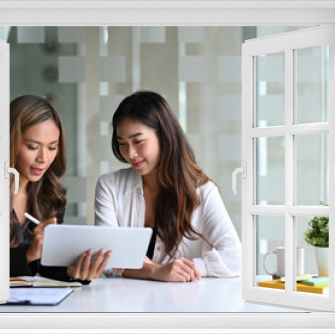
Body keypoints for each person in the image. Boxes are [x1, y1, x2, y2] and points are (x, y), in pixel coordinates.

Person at [0, 95, 111, 283]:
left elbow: (43, 266)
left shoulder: (51, 194)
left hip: (31, 302)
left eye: (52, 147)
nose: (43, 158)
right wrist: (27, 253)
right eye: (33, 147)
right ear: (9, 141)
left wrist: (71, 271)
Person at [95, 90, 241, 282]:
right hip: (127, 305)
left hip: (184, 304)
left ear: (164, 135)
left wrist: (184, 269)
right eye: (122, 143)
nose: (130, 153)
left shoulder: (202, 191)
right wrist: (157, 270)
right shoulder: (110, 186)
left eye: (138, 141)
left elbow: (235, 258)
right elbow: (107, 259)